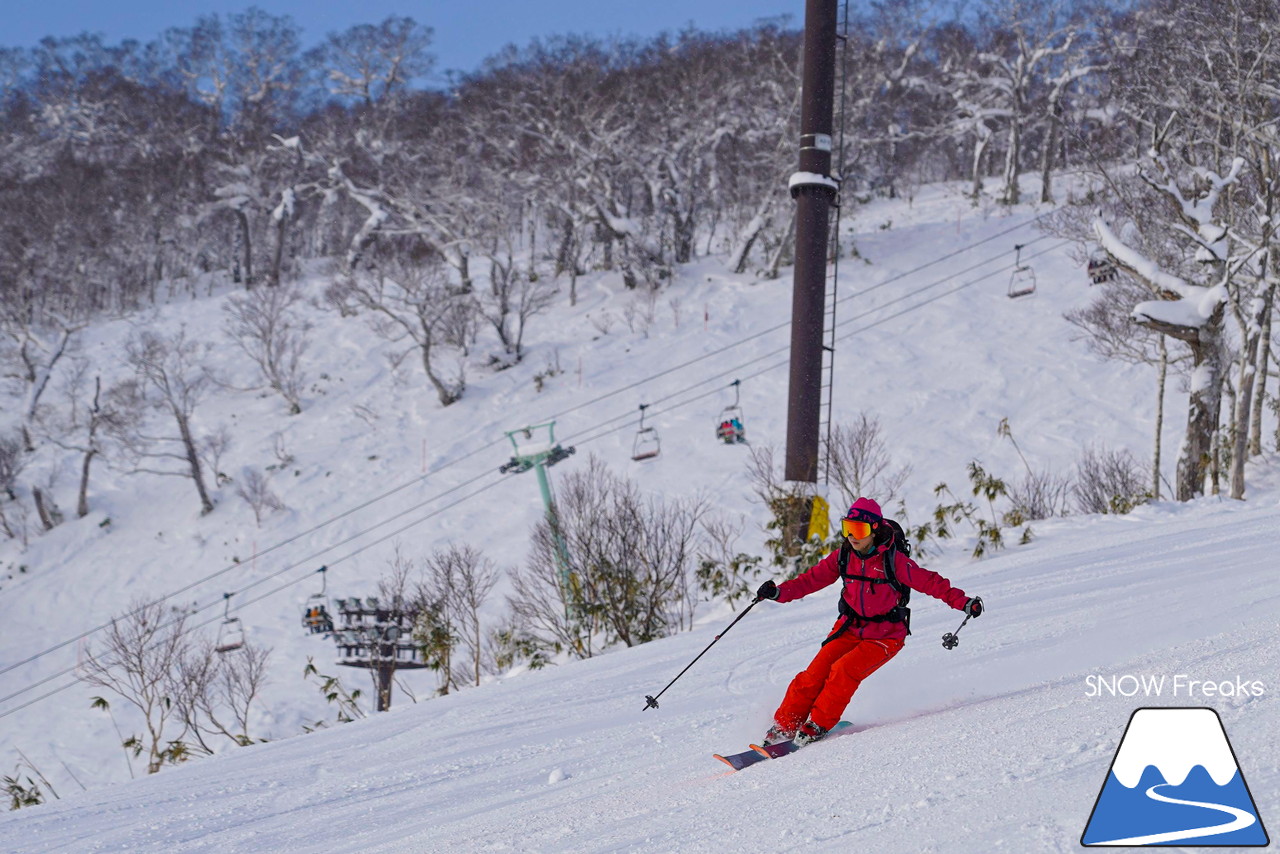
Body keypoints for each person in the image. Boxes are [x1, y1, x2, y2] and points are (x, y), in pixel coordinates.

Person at [755, 497, 983, 747]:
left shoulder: (893, 561)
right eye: (847, 528)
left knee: (843, 670)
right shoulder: (843, 555)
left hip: (885, 635)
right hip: (849, 627)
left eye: (859, 530)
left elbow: (931, 582)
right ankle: (785, 726)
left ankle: (817, 724)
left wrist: (963, 602)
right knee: (814, 673)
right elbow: (809, 580)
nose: (852, 536)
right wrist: (778, 593)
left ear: (874, 529)